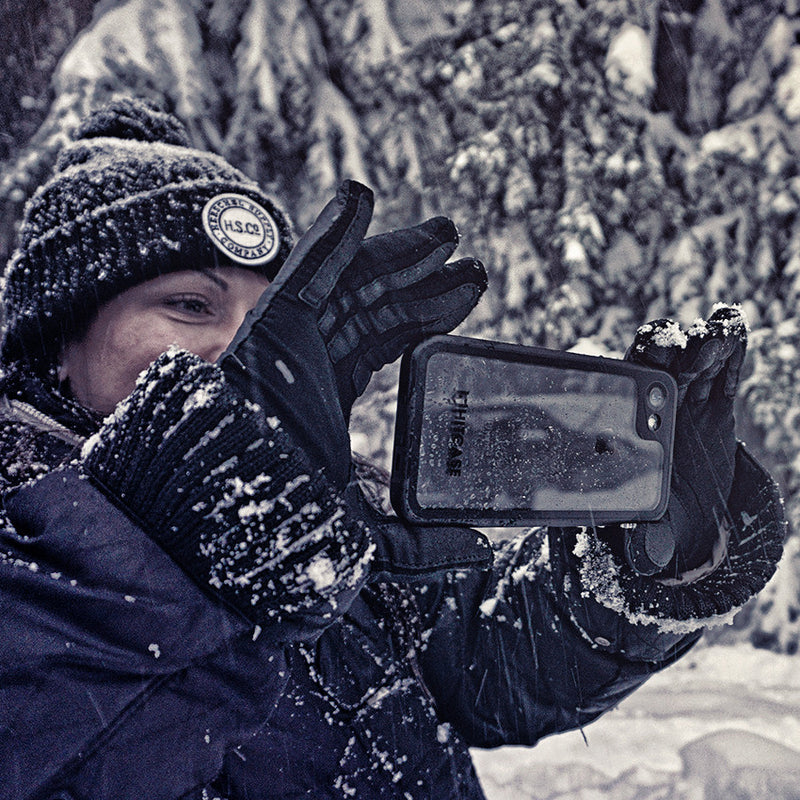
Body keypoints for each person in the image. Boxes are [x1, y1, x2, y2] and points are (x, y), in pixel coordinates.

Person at [0, 97, 785, 800]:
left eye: (266, 310)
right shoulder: (24, 555)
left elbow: (488, 671)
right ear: (56, 345)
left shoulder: (335, 513)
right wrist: (170, 518)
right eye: (190, 304)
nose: (240, 341)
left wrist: (641, 556)